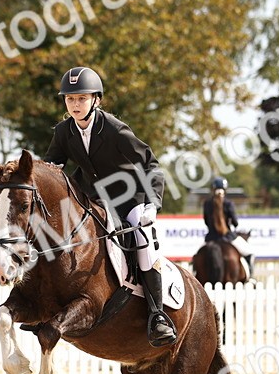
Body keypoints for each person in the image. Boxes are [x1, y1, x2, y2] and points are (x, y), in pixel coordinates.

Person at [42, 66, 176, 347]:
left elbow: (150, 164)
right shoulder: (64, 131)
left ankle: (158, 315)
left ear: (96, 100)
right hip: (95, 201)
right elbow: (53, 165)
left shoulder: (114, 129)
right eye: (70, 99)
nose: (75, 105)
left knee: (143, 242)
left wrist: (152, 204)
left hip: (129, 199)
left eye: (81, 99)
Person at [203, 177, 254, 274]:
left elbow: (206, 222)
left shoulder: (207, 203)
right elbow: (235, 222)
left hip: (211, 238)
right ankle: (250, 276)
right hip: (227, 237)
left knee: (196, 257)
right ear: (225, 190)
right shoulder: (228, 203)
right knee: (250, 253)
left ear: (213, 189)